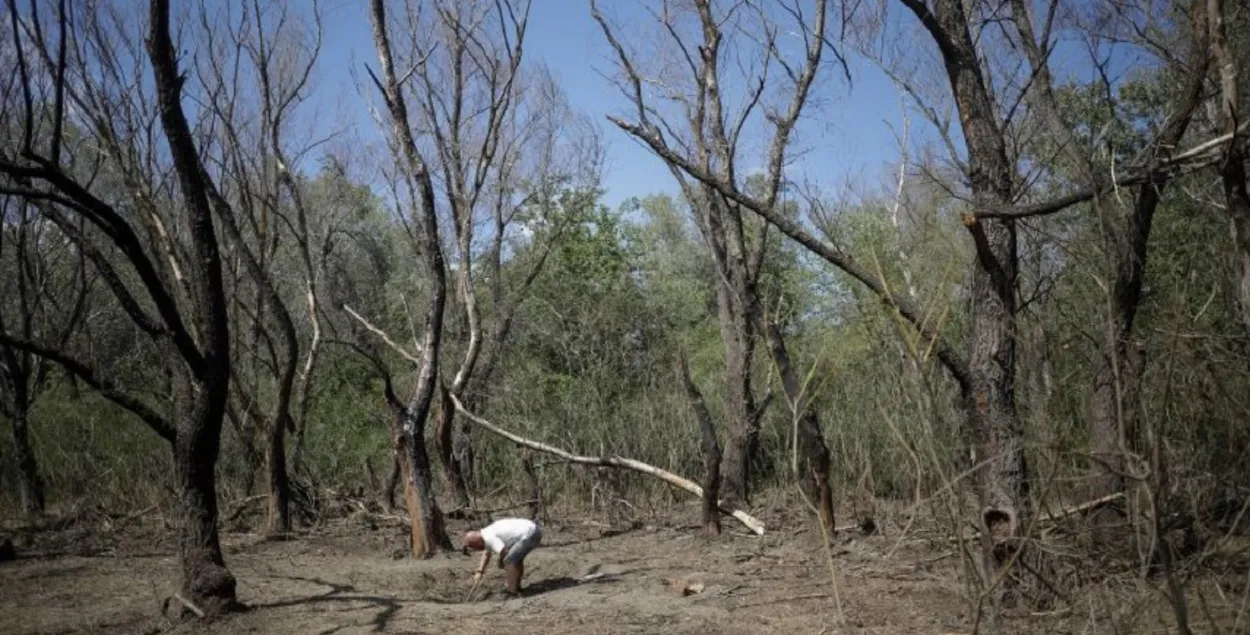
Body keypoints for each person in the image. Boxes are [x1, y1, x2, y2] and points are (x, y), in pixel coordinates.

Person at [461, 517, 543, 595]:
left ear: (477, 543)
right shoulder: (485, 533)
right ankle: (517, 588)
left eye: (474, 547)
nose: (476, 549)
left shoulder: (489, 538)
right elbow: (486, 554)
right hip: (533, 529)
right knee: (516, 559)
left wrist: (500, 561)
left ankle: (512, 592)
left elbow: (504, 551)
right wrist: (480, 571)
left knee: (509, 561)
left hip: (529, 533)